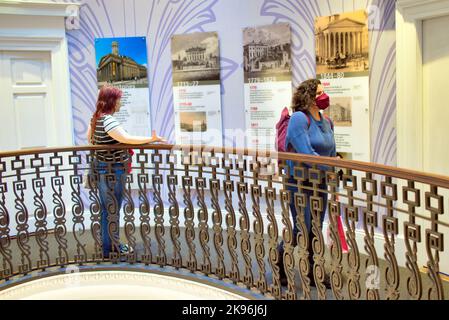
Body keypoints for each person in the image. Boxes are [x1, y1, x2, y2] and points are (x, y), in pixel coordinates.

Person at [87, 85, 166, 258]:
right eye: (119, 99)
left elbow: (89, 139)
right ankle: (113, 247)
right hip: (113, 170)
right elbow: (127, 139)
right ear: (112, 101)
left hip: (102, 168)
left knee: (106, 209)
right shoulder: (109, 120)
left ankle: (107, 246)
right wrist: (151, 139)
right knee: (112, 209)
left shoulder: (95, 119)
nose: (120, 102)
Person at [277, 79, 336, 288]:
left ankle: (313, 271)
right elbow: (307, 153)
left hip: (319, 182)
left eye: (323, 92)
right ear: (309, 96)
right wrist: (328, 167)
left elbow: (330, 150)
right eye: (319, 93)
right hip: (299, 181)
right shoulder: (299, 119)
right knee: (302, 226)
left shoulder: (327, 122)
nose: (324, 96)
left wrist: (332, 169)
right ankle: (280, 262)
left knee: (317, 227)